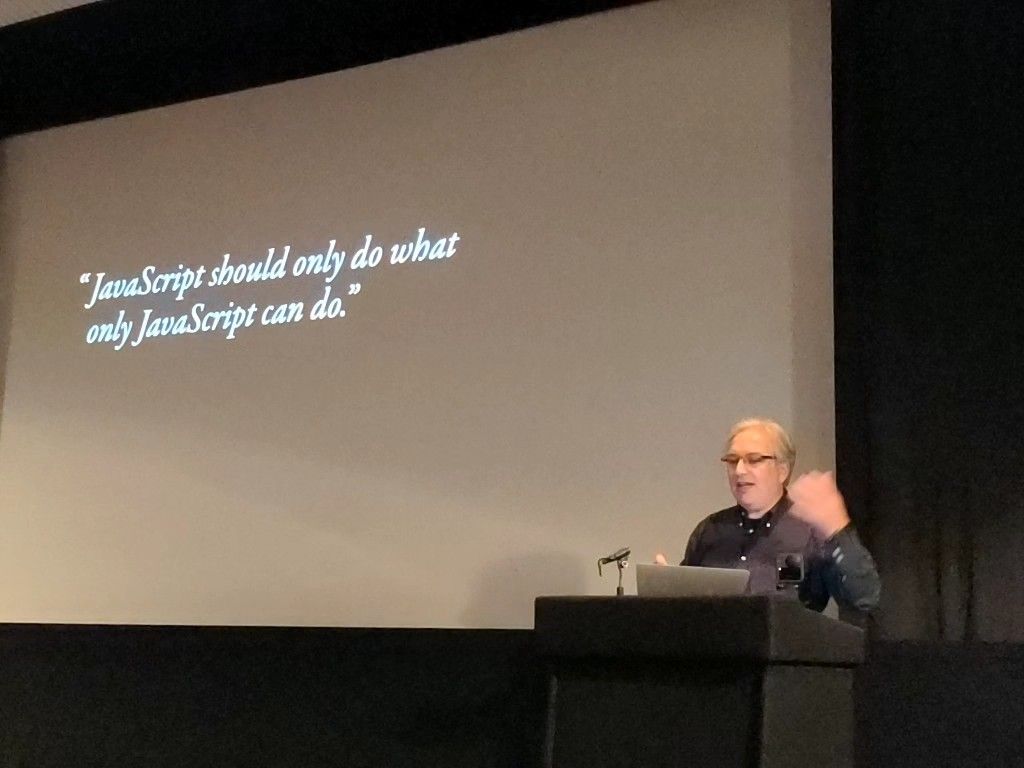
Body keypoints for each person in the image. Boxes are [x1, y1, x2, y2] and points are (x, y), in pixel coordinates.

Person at [655, 418, 880, 613]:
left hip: (785, 656)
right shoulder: (710, 530)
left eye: (753, 460)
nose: (740, 470)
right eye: (733, 461)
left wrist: (837, 531)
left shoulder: (810, 529)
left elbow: (864, 598)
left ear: (782, 470)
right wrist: (670, 591)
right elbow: (689, 607)